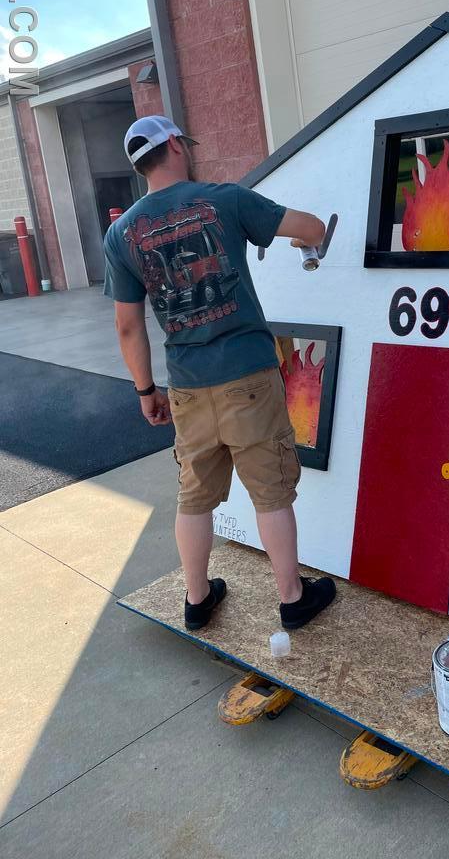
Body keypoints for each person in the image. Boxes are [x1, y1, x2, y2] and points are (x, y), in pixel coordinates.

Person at [103, 115, 336, 632]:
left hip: (185, 385)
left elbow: (127, 326)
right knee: (270, 493)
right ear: (177, 148)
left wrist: (146, 389)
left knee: (194, 496)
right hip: (248, 377)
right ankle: (292, 598)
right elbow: (312, 228)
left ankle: (197, 598)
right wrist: (307, 244)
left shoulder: (122, 234)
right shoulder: (225, 200)